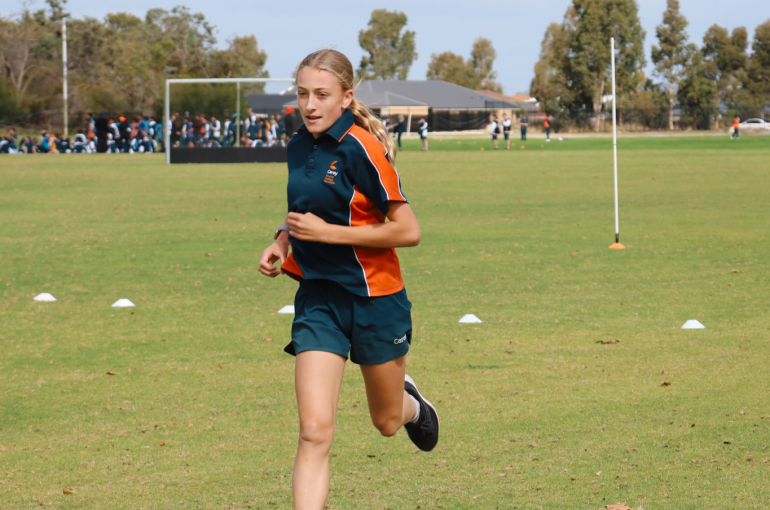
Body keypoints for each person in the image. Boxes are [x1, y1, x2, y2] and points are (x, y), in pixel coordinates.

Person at [258, 49, 439, 509]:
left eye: (322, 94)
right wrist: (282, 239)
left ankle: (411, 401)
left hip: (375, 299)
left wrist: (328, 234)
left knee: (386, 421)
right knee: (313, 431)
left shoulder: (363, 148)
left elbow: (409, 231)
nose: (310, 104)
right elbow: (304, 205)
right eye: (303, 94)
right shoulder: (299, 144)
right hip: (319, 299)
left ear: (346, 97)